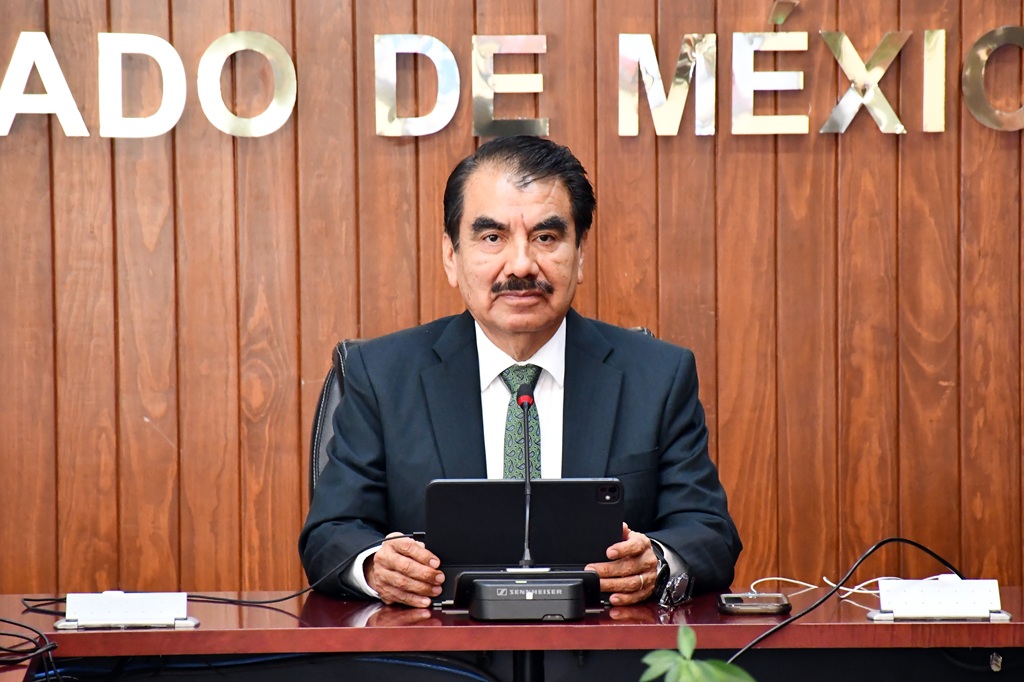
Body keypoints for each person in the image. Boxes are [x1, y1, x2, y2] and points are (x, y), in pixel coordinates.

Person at [299, 135, 741, 608]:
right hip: (436, 643)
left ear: (580, 253)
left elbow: (709, 532)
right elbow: (330, 532)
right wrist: (374, 566)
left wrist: (655, 561)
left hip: (600, 643)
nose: (522, 265)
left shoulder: (657, 376)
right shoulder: (382, 375)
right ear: (451, 256)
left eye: (546, 238)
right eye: (493, 238)